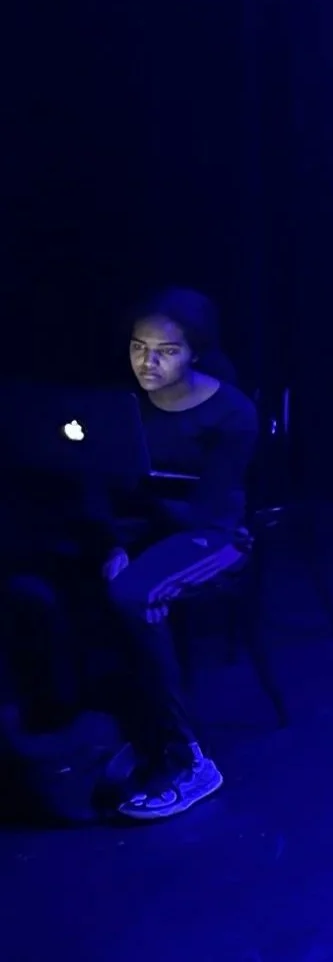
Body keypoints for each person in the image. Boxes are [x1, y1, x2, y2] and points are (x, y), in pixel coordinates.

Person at [2, 288, 260, 821]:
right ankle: (105, 732)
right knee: (48, 576)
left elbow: (209, 511)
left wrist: (133, 545)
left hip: (215, 539)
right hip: (145, 533)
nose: (148, 362)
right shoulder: (125, 407)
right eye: (139, 347)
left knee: (134, 593)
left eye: (166, 350)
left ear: (194, 353)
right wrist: (114, 542)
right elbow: (100, 482)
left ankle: (187, 759)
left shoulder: (231, 413)